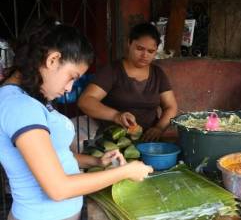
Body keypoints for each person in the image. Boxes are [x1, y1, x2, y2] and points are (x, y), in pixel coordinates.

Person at [0, 17, 153, 220]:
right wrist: (125, 172)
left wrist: (96, 161)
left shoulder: (28, 99)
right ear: (52, 60)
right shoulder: (20, 107)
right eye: (72, 76)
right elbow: (58, 188)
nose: (69, 88)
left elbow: (54, 156)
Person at [78, 22, 178, 141]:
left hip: (148, 143)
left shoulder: (158, 74)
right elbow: (85, 101)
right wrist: (116, 116)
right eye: (140, 48)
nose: (144, 55)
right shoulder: (112, 71)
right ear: (129, 43)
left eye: (151, 51)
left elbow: (171, 106)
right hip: (114, 141)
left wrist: (159, 128)